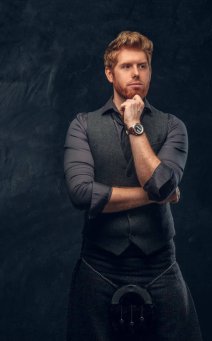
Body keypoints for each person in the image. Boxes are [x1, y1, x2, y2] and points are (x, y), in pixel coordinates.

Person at [63, 30, 202, 341]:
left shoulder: (172, 126)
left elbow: (160, 184)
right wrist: (159, 196)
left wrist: (134, 126)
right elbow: (82, 193)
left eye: (143, 65)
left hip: (160, 267)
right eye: (126, 66)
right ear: (109, 73)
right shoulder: (82, 125)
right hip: (98, 268)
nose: (136, 73)